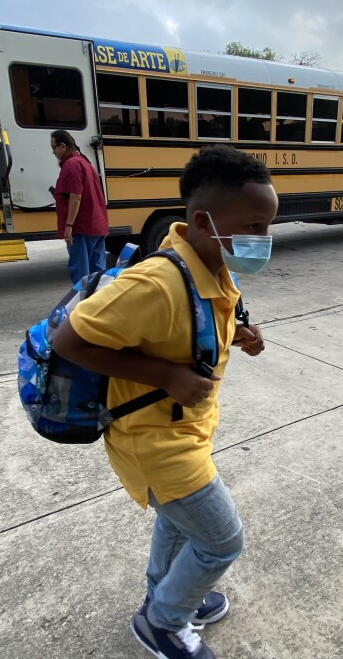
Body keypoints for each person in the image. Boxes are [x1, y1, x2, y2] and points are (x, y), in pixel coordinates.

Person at [52, 144, 278, 659]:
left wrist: (240, 332)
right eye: (254, 226)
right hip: (154, 442)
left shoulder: (212, 265)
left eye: (268, 227)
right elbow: (70, 342)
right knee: (221, 541)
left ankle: (169, 594)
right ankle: (163, 622)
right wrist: (165, 376)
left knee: (178, 523)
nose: (263, 240)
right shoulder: (154, 283)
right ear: (203, 220)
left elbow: (197, 324)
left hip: (185, 432)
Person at [50, 130, 109, 283]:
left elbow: (75, 197)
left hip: (81, 228)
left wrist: (68, 225)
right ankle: (99, 303)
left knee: (81, 275)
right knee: (97, 274)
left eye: (54, 147)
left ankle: (83, 304)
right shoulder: (85, 162)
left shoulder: (71, 165)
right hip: (96, 225)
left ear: (63, 146)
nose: (53, 152)